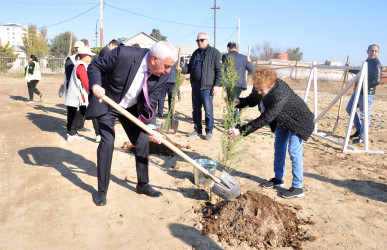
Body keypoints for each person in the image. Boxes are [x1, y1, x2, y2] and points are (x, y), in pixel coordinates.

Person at [87, 41, 177, 206]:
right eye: (166, 66)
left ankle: (142, 184)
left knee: (142, 141)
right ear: (155, 59)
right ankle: (102, 191)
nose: (168, 71)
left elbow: (152, 102)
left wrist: (151, 128)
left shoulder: (162, 75)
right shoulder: (124, 54)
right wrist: (96, 84)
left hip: (131, 108)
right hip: (108, 102)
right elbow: (94, 66)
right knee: (107, 142)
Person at [228, 67, 314, 199]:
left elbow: (265, 118)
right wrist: (240, 102)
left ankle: (298, 187)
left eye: (261, 89)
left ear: (271, 85)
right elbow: (252, 100)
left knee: (294, 151)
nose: (258, 91)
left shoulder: (280, 93)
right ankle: (278, 179)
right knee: (279, 149)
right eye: (256, 88)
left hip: (299, 121)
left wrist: (240, 130)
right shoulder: (259, 85)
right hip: (282, 121)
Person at [180, 32, 222, 140]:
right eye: (197, 40)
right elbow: (189, 68)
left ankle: (209, 131)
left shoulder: (214, 53)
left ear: (207, 40)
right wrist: (181, 70)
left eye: (201, 40)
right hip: (195, 86)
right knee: (196, 110)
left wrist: (216, 85)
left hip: (207, 87)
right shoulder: (195, 53)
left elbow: (219, 70)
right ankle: (197, 129)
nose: (199, 42)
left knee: (208, 110)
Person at [345, 44, 382, 145]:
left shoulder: (376, 64)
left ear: (378, 52)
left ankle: (362, 137)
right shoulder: (367, 61)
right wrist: (349, 68)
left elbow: (376, 81)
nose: (373, 52)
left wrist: (361, 87)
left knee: (364, 115)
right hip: (358, 92)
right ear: (367, 51)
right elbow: (360, 72)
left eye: (375, 51)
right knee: (349, 108)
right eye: (371, 51)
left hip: (367, 93)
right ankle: (358, 129)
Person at [65, 46, 98, 142]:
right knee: (77, 115)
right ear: (85, 56)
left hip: (76, 95)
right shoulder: (81, 66)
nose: (91, 58)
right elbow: (86, 82)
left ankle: (72, 132)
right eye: (90, 56)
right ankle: (72, 134)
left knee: (75, 115)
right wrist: (94, 90)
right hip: (77, 96)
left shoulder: (80, 64)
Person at [222, 42, 254, 116]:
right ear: (236, 48)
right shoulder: (243, 57)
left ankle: (237, 122)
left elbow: (222, 70)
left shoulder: (226, 56)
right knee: (235, 101)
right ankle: (233, 119)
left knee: (232, 102)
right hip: (241, 84)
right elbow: (251, 70)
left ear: (228, 48)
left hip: (231, 84)